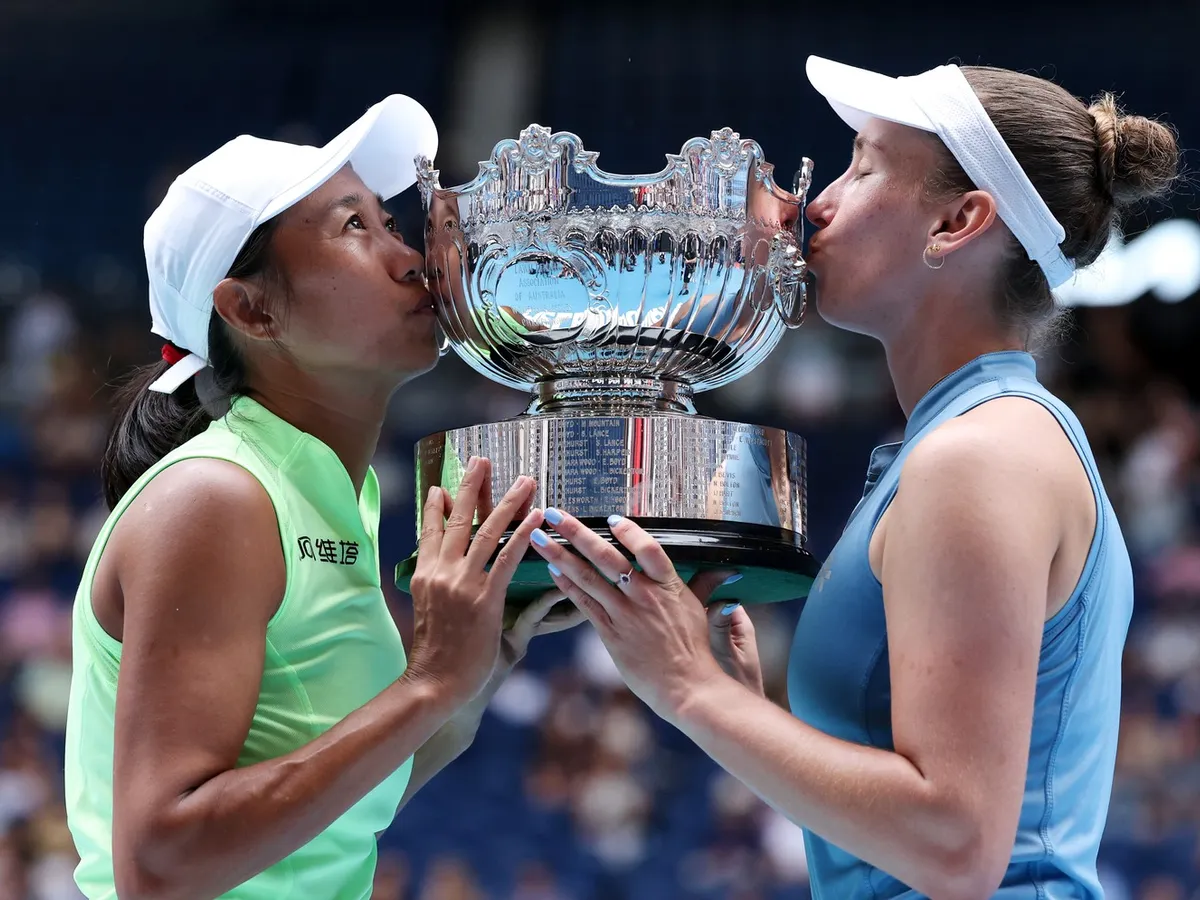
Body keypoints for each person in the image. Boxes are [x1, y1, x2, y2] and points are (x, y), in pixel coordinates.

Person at [525, 56, 1180, 899]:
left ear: (958, 221)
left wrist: (691, 690)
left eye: (863, 166)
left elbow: (957, 847)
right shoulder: (975, 439)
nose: (819, 202)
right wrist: (739, 711)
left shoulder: (978, 456)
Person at [63, 96, 580, 900]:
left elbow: (328, 817)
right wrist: (429, 681)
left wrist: (486, 659)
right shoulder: (218, 497)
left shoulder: (327, 489)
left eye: (389, 224)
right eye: (353, 229)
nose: (410, 258)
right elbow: (160, 866)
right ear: (252, 309)